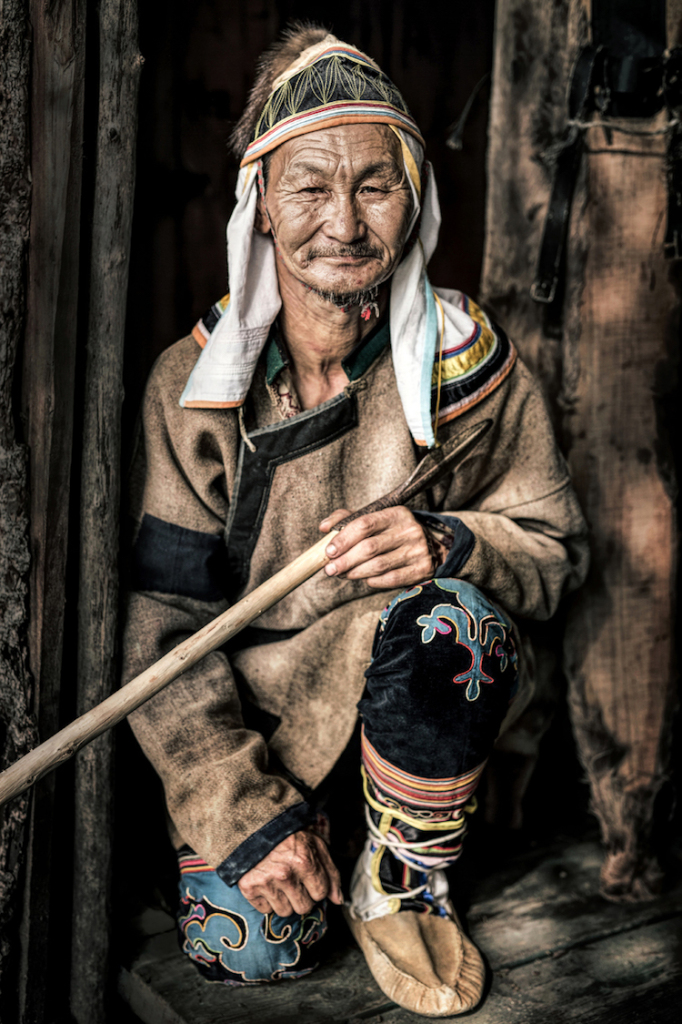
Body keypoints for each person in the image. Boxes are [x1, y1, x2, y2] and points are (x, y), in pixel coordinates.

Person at [122, 25, 589, 1017]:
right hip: (267, 733)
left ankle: (403, 871)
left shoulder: (467, 368)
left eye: (375, 185)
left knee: (450, 617)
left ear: (412, 199)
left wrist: (452, 542)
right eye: (309, 186)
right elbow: (161, 630)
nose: (343, 221)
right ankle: (295, 842)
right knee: (251, 951)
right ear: (259, 205)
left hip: (413, 735)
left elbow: (555, 553)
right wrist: (247, 814)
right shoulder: (195, 390)